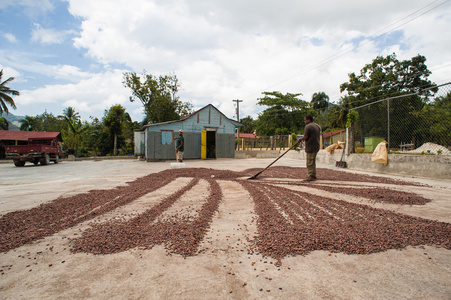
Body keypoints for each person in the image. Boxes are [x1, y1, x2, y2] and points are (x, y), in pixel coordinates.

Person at [297, 115, 321, 181]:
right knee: (312, 161)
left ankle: (311, 176)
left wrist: (300, 139)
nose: (305, 122)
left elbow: (306, 137)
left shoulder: (308, 127)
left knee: (309, 162)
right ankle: (313, 174)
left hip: (311, 147)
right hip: (316, 146)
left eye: (305, 120)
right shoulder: (317, 126)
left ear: (308, 120)